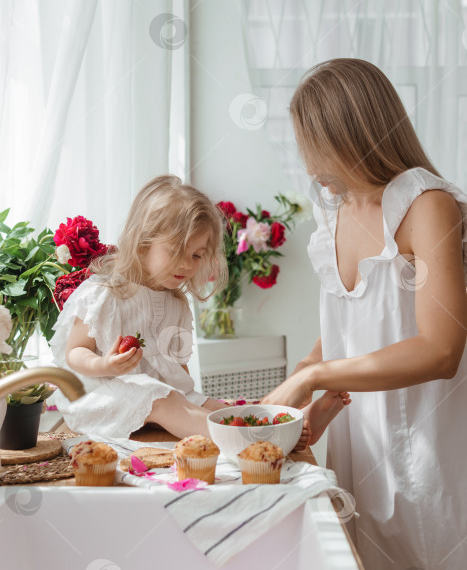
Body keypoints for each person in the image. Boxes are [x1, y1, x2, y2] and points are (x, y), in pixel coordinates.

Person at [261, 58, 467, 570]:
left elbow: (441, 347)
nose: (309, 165)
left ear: (354, 133)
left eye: (316, 146)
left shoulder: (426, 205)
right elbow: (341, 334)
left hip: (430, 455)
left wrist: (313, 378)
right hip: (361, 457)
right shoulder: (332, 221)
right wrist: (283, 405)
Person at [51, 175, 345, 447]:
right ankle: (259, 438)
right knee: (159, 397)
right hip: (97, 396)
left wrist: (197, 401)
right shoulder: (105, 293)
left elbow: (176, 372)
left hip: (151, 392)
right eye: (176, 252)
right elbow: (75, 352)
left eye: (196, 255)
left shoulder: (175, 303)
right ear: (143, 244)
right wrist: (104, 365)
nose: (187, 265)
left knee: (202, 404)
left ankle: (283, 422)